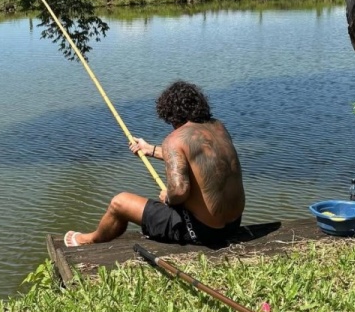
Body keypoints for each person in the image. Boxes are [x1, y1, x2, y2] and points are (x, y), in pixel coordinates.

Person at [64, 81, 245, 248]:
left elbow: (179, 190)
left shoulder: (174, 140)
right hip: (233, 225)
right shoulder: (218, 128)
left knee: (119, 203)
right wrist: (149, 149)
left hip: (203, 232)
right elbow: (197, 157)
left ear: (170, 114)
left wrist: (168, 197)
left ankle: (89, 239)